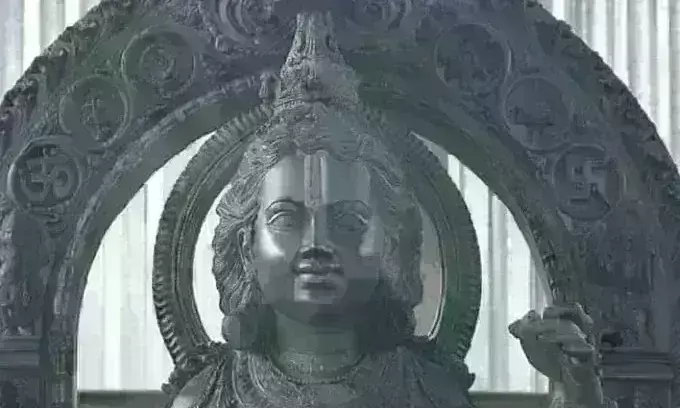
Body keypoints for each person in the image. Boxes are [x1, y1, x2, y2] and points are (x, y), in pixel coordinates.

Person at [167, 11, 614, 408]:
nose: (316, 244)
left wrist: (573, 391)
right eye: (287, 218)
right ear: (245, 245)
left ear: (391, 243)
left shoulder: (431, 396)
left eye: (347, 221)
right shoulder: (206, 399)